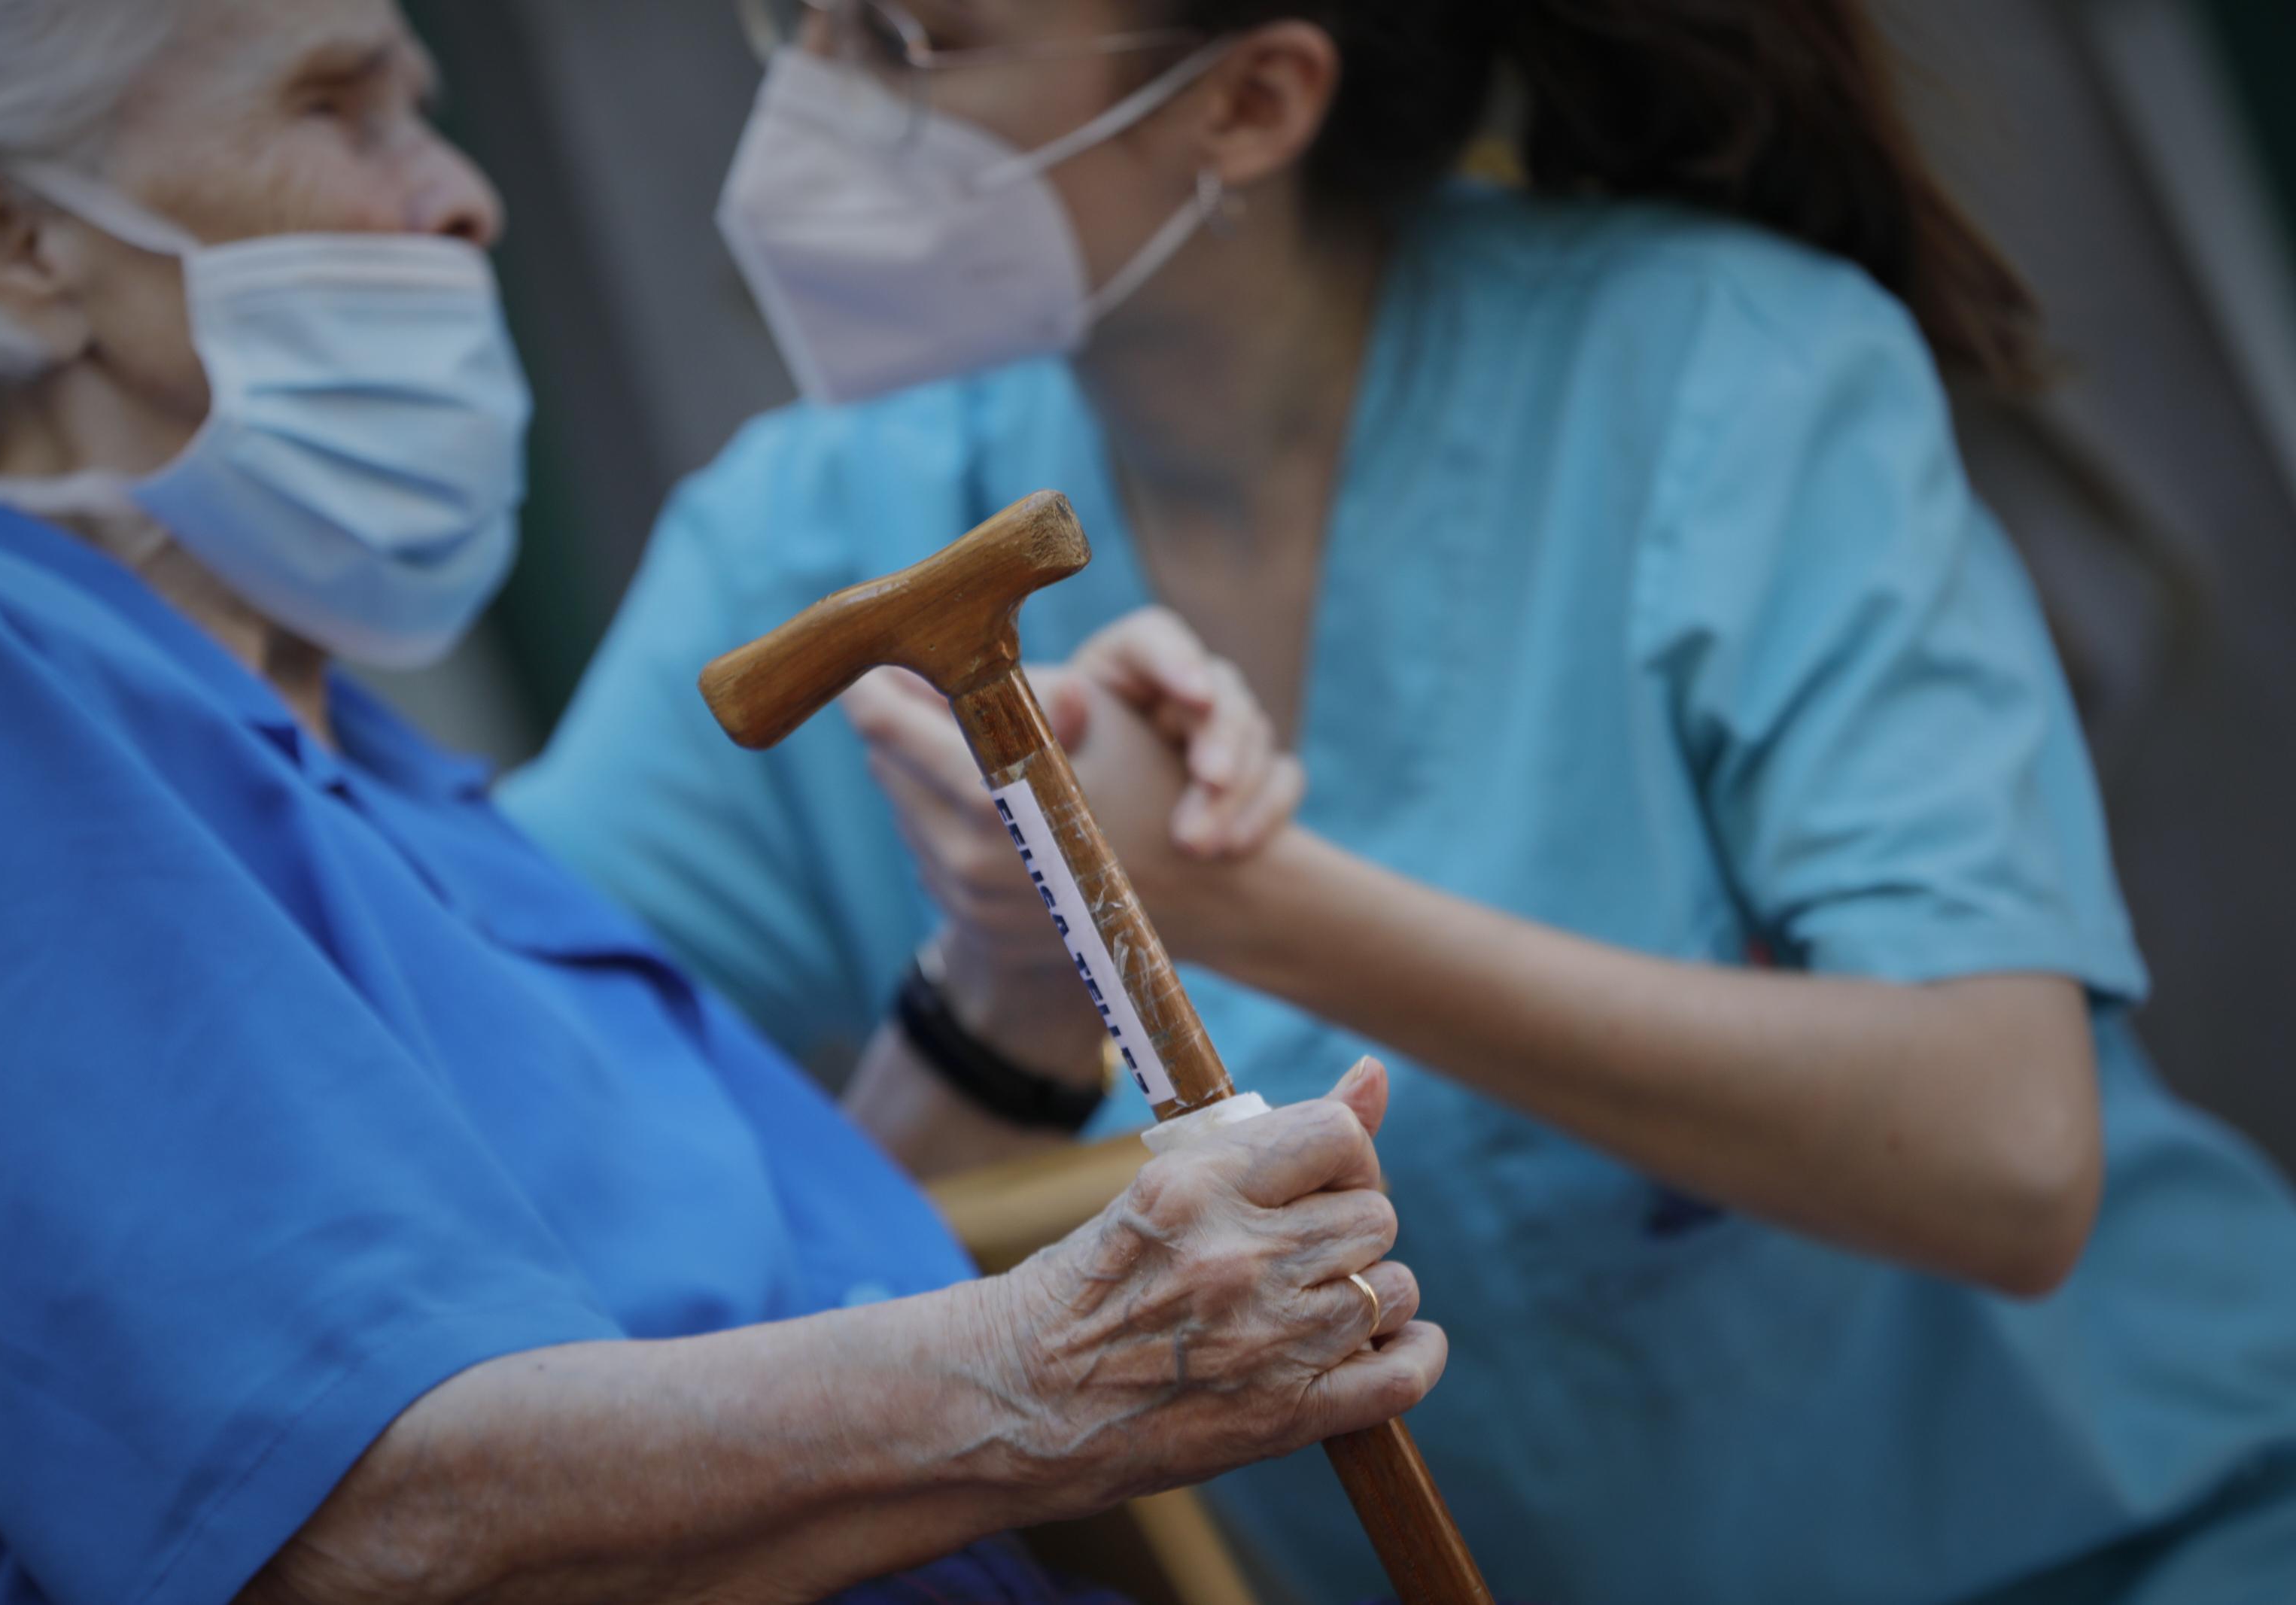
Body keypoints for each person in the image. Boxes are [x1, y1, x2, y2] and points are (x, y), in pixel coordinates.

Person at [505, 2, 2296, 1601]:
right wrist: (994, 1002)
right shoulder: (813, 544)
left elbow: (2004, 1150)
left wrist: (1227, 896)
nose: (804, 109)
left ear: (1252, 100)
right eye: (797, 18)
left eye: (907, 40)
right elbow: (537, 1221)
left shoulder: (1719, 372)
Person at [0, 4, 1449, 1603]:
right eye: (340, 107)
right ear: (12, 242)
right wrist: (1058, 1367)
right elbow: (346, 1517)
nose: (463, 195)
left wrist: (1010, 982)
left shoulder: (376, 781)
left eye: (432, 111)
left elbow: (737, 1323)